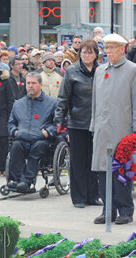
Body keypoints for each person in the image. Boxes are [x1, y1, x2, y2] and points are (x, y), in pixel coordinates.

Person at [90, 33, 136, 225]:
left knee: (121, 171)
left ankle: (125, 209)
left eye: (112, 48)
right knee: (102, 171)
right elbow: (94, 102)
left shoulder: (132, 70)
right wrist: (93, 125)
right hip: (102, 129)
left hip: (122, 129)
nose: (108, 51)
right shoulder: (100, 71)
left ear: (122, 49)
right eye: (106, 48)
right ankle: (107, 209)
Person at [54, 40, 101, 209]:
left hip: (97, 123)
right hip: (77, 123)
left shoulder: (101, 71)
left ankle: (93, 196)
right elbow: (63, 98)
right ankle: (79, 197)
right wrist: (59, 120)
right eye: (83, 52)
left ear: (96, 54)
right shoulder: (71, 71)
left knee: (93, 162)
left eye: (90, 52)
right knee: (78, 162)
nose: (86, 55)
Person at [7, 72, 57, 192]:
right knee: (16, 146)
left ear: (40, 84)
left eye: (33, 83)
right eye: (28, 83)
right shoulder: (18, 104)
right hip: (23, 137)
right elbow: (11, 123)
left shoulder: (52, 102)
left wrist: (48, 132)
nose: (30, 86)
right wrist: (14, 132)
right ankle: (16, 180)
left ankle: (27, 181)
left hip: (42, 139)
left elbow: (59, 123)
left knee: (38, 147)